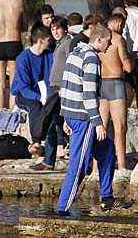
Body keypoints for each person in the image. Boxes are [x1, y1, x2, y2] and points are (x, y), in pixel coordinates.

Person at [56, 24, 131, 216]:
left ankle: (107, 198)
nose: (109, 47)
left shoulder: (75, 53)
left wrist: (66, 116)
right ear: (98, 40)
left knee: (106, 150)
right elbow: (89, 95)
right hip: (84, 119)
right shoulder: (91, 58)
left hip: (73, 115)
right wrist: (97, 123)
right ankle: (62, 209)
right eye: (108, 42)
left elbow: (66, 86)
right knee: (79, 164)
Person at [11, 26, 56, 168]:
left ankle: (52, 156)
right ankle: (36, 141)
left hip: (45, 93)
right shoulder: (23, 58)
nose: (51, 41)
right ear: (40, 40)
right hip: (25, 94)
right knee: (36, 107)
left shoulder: (50, 55)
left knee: (52, 113)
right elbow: (23, 87)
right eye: (48, 39)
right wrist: (39, 98)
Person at [97, 13, 133, 173]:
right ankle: (122, 165)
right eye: (123, 26)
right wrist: (134, 57)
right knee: (120, 126)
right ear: (118, 23)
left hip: (101, 83)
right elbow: (128, 67)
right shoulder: (117, 39)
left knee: (101, 126)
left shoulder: (98, 37)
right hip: (115, 83)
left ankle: (96, 168)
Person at [47, 15, 71, 161]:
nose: (55, 32)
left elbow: (70, 63)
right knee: (56, 119)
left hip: (63, 86)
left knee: (64, 118)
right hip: (56, 85)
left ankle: (67, 146)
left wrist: (65, 85)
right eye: (53, 29)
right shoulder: (58, 44)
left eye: (58, 28)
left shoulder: (67, 43)